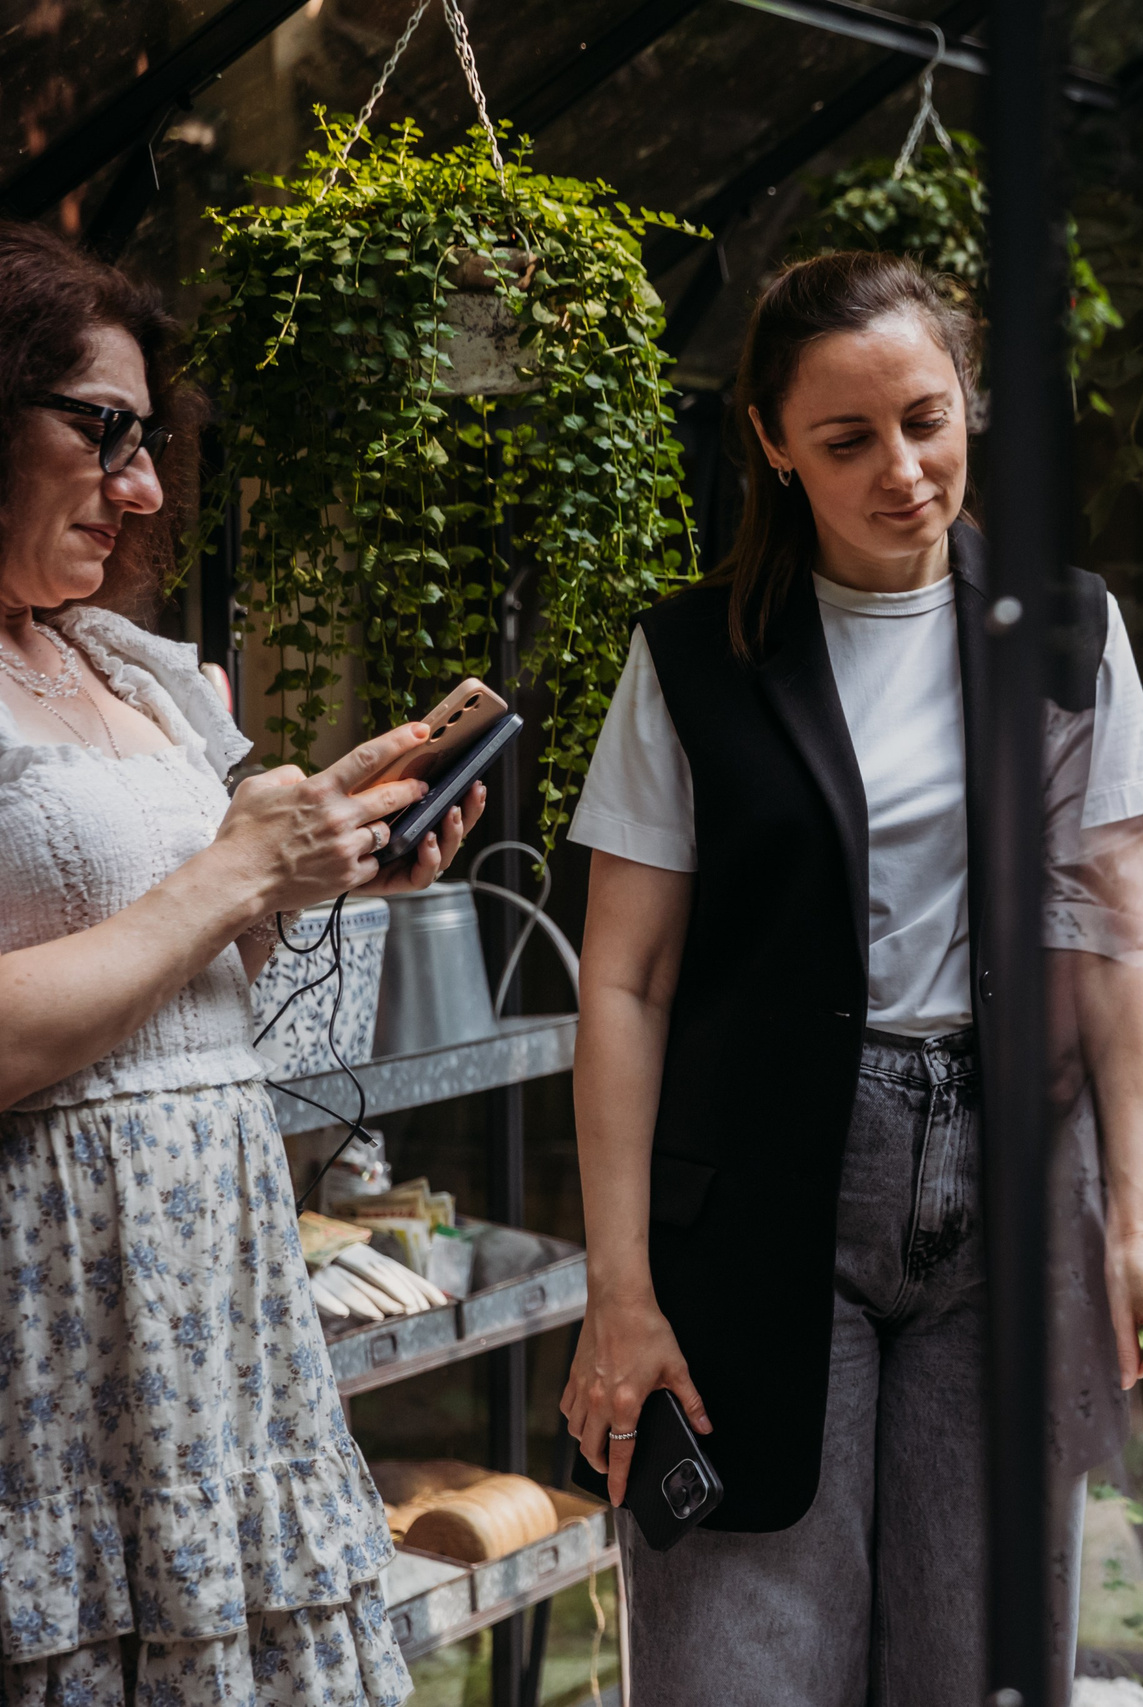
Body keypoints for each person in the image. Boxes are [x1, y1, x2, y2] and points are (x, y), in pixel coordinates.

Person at [558, 250, 1143, 1706]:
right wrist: (621, 1288)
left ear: (968, 401)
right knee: (741, 1657)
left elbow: (1119, 934)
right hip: (765, 1189)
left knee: (976, 1657)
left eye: (926, 417)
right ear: (774, 447)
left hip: (1017, 1178)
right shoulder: (691, 659)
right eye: (846, 440)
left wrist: (1134, 1227)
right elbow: (625, 982)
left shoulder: (1069, 634)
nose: (902, 469)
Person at [0, 220, 481, 1706]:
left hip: (219, 1295)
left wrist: (321, 881)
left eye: (150, 442)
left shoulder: (124, 667)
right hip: (51, 1301)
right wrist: (233, 872)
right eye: (106, 430)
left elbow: (219, 1008)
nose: (142, 487)